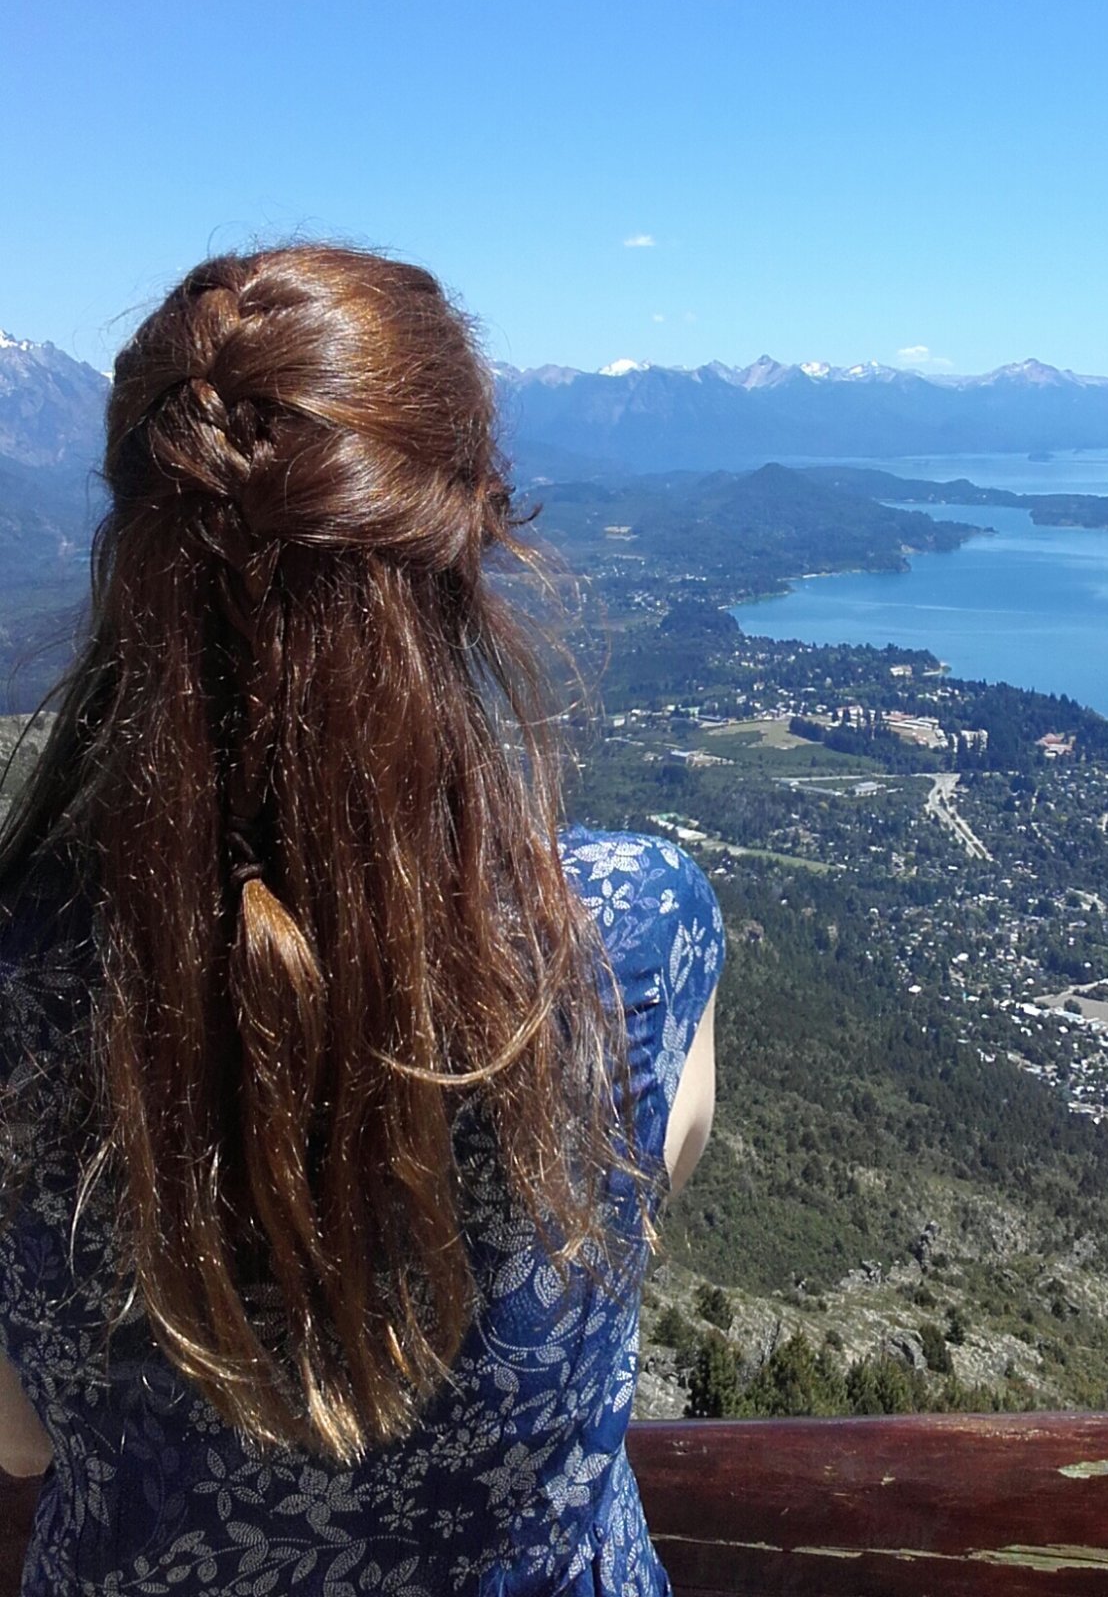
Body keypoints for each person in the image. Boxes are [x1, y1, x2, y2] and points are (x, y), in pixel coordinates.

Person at [0, 243, 722, 1594]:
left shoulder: (23, 987)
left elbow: (23, 1443)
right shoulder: (624, 937)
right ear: (469, 541)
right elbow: (636, 1197)